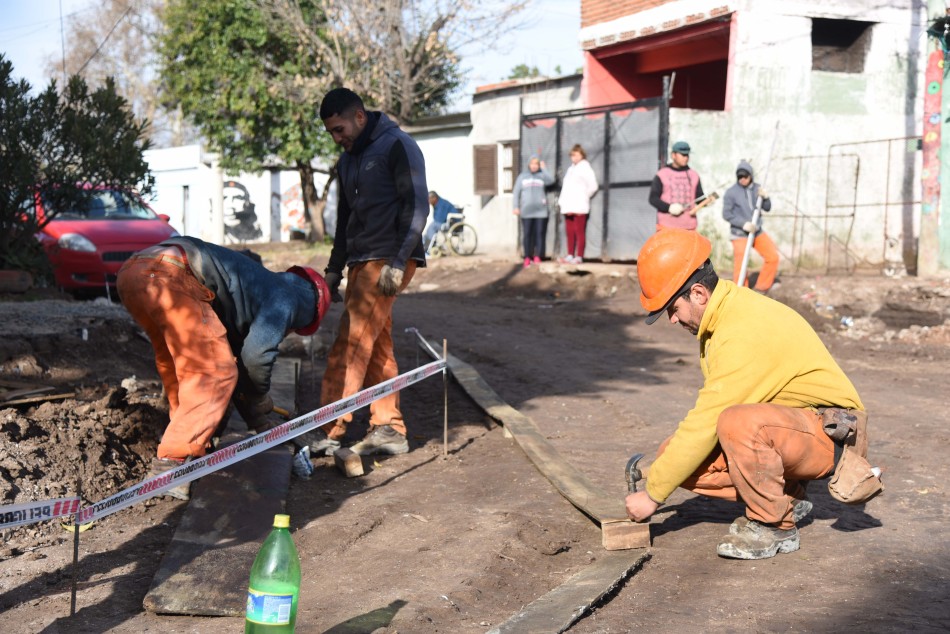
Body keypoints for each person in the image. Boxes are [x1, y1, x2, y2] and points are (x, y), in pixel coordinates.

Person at [627, 229, 880, 559]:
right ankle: (788, 498)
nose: (673, 320)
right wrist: (660, 475)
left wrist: (652, 495)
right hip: (797, 427)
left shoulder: (742, 331)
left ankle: (775, 526)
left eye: (673, 309)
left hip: (835, 436)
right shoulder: (723, 317)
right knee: (672, 455)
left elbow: (707, 419)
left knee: (736, 422)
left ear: (699, 294)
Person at [117, 236, 331, 500]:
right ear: (310, 313)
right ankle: (172, 463)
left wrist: (258, 420)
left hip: (135, 270)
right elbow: (255, 357)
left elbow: (240, 362)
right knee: (215, 372)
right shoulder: (288, 299)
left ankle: (190, 442)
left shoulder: (256, 289)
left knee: (181, 366)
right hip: (170, 274)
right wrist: (260, 398)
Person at [313, 87, 428, 457]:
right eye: (331, 131)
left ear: (359, 117)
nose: (337, 137)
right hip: (360, 261)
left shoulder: (397, 146)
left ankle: (330, 428)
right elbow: (345, 220)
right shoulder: (348, 160)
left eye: (340, 128)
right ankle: (388, 426)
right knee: (377, 344)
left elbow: (417, 207)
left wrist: (398, 262)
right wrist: (333, 271)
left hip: (389, 259)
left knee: (351, 343)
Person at [721, 160, 780, 292]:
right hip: (739, 234)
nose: (742, 179)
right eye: (740, 177)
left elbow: (767, 208)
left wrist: (765, 198)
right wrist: (743, 224)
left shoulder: (757, 189)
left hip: (757, 231)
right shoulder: (731, 192)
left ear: (751, 175)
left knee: (773, 257)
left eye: (745, 176)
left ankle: (762, 288)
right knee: (741, 264)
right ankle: (741, 292)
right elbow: (726, 214)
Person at [648, 140, 705, 231]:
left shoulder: (693, 175)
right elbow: (653, 198)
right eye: (682, 155)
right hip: (666, 226)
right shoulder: (662, 174)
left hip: (689, 227)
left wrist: (708, 200)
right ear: (673, 155)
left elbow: (699, 198)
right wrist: (669, 207)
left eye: (687, 155)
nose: (685, 158)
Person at [557, 144, 598, 264]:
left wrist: (584, 196)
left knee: (579, 231)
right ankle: (570, 254)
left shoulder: (585, 167)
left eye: (576, 155)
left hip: (579, 204)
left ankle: (579, 256)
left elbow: (593, 186)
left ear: (582, 155)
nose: (574, 157)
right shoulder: (570, 169)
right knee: (569, 232)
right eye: (572, 155)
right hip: (568, 205)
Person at [512, 154, 555, 268]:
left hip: (541, 211)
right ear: (529, 164)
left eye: (536, 164)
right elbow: (516, 193)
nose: (534, 166)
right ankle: (527, 257)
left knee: (539, 234)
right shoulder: (522, 177)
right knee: (527, 235)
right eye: (532, 163)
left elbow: (551, 181)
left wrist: (544, 168)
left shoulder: (542, 176)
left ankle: (537, 256)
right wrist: (516, 206)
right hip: (526, 211)